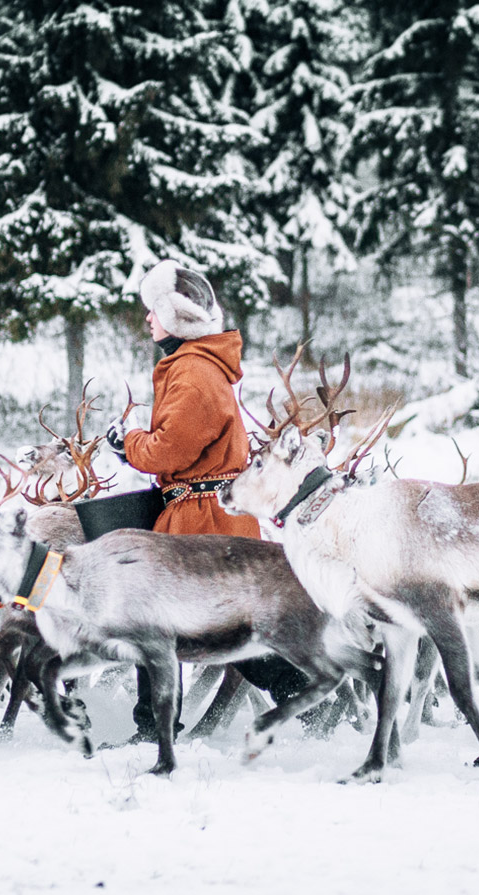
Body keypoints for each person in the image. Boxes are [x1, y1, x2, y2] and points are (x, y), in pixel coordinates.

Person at [106, 260, 308, 740]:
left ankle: (155, 729)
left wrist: (129, 441)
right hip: (197, 516)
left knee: (177, 624)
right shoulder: (191, 367)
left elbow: (170, 448)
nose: (148, 320)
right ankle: (311, 694)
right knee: (225, 629)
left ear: (176, 316)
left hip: (203, 522)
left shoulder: (194, 373)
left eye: (153, 310)